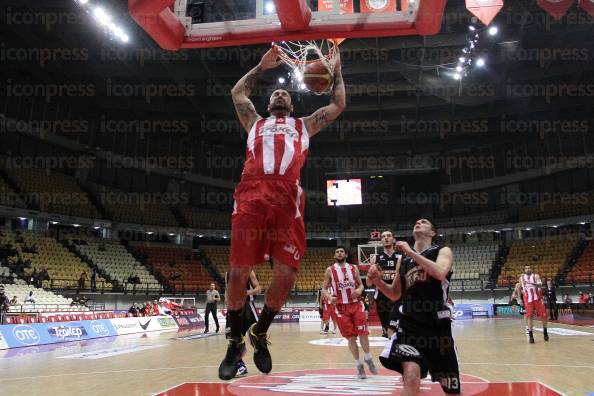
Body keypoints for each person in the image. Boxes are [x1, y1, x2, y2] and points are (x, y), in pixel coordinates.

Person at [219, 46, 345, 381]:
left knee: (287, 273)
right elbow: (237, 92)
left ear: (291, 105)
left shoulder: (304, 125)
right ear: (269, 102)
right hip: (251, 191)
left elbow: (337, 105)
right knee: (237, 271)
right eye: (275, 92)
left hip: (287, 196)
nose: (279, 93)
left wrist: (337, 72)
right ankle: (234, 341)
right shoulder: (254, 122)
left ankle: (260, 332)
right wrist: (260, 67)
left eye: (285, 94)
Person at [367, 218, 460, 395]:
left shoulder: (442, 250)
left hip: (438, 327)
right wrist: (377, 281)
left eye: (424, 222)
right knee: (410, 377)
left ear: (432, 232)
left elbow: (440, 272)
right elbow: (395, 294)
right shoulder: (405, 262)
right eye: (416, 222)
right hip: (410, 327)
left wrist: (411, 252)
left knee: (451, 389)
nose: (418, 223)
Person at [322, 247, 377, 379]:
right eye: (337, 251)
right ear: (335, 255)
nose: (339, 253)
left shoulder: (354, 268)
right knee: (351, 338)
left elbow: (361, 285)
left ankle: (368, 358)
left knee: (363, 333)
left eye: (341, 251)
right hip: (341, 308)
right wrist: (330, 298)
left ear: (345, 254)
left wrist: (359, 290)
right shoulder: (330, 270)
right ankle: (359, 365)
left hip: (356, 305)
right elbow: (323, 289)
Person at [225, 269, 262, 377]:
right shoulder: (228, 273)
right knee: (233, 338)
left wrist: (246, 293)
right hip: (233, 308)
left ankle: (261, 359)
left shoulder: (249, 271)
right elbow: (227, 290)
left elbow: (258, 288)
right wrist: (227, 301)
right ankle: (240, 366)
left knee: (255, 338)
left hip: (247, 308)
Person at [371, 230, 401, 338]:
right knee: (386, 332)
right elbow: (369, 282)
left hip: (398, 296)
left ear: (393, 239)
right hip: (382, 297)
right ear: (381, 241)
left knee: (398, 330)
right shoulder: (376, 258)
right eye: (383, 236)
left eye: (388, 235)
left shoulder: (401, 256)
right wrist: (374, 278)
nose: (386, 238)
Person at [519, 265, 549, 343]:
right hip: (528, 300)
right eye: (526, 268)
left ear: (531, 269)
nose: (528, 269)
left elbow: (540, 285)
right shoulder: (521, 278)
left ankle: (545, 332)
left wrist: (531, 283)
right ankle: (531, 336)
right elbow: (519, 288)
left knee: (544, 316)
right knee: (529, 317)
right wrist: (520, 299)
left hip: (538, 298)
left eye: (529, 268)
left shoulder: (536, 276)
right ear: (524, 270)